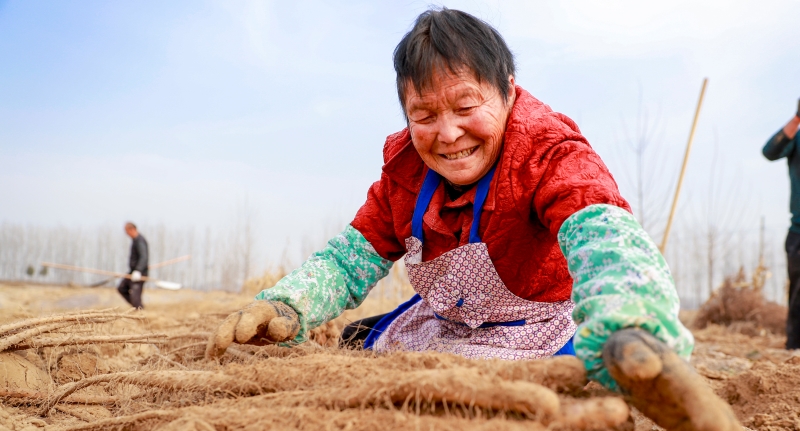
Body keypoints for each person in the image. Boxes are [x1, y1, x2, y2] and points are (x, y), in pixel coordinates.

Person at [206, 8, 693, 391]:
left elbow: (603, 233)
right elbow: (347, 260)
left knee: (551, 390)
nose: (448, 134)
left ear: (507, 91)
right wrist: (289, 306)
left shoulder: (548, 151)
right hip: (446, 325)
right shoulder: (404, 174)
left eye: (465, 106)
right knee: (355, 343)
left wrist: (630, 317)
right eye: (424, 115)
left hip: (538, 330)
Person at [763, 100, 800, 349]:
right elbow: (770, 151)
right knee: (798, 293)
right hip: (799, 229)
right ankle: (795, 347)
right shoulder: (796, 137)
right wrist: (797, 119)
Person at [118, 222, 148, 309]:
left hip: (139, 274)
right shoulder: (135, 240)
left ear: (132, 229)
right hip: (132, 272)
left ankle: (140, 311)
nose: (127, 234)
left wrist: (138, 270)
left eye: (127, 231)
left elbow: (144, 257)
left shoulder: (140, 241)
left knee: (135, 297)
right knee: (122, 288)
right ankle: (137, 308)